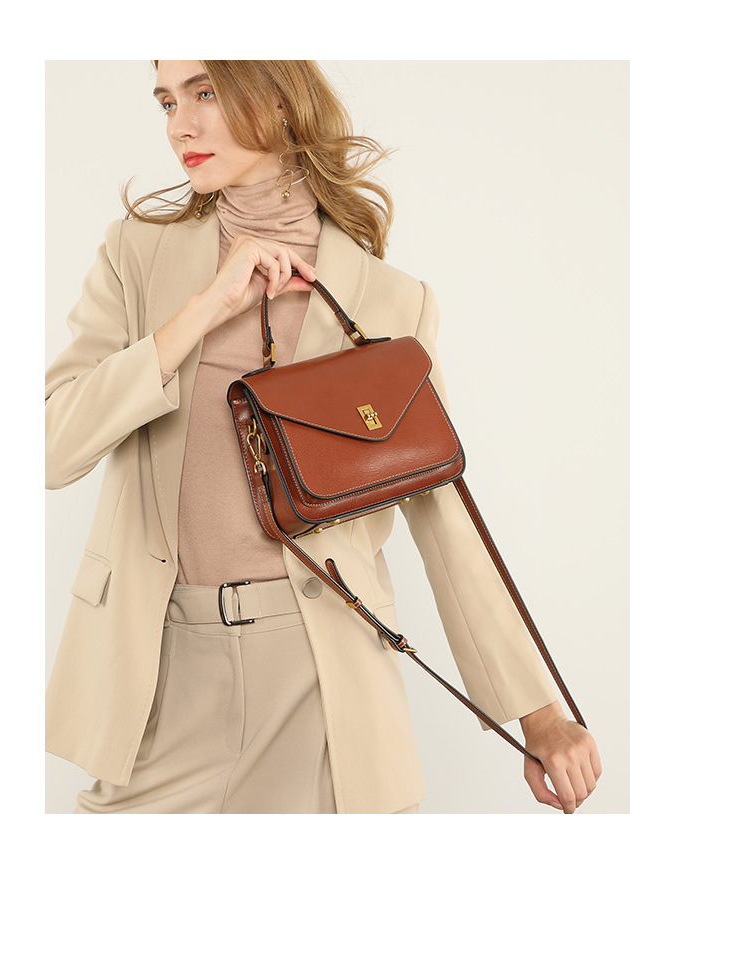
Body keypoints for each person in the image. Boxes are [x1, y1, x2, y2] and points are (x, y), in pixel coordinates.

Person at [45, 60, 601, 814]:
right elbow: (51, 445)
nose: (180, 124)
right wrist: (201, 312)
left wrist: (538, 714)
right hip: (159, 672)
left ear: (277, 97)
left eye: (205, 92)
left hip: (323, 681)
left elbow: (444, 512)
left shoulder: (389, 299)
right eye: (167, 101)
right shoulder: (135, 256)